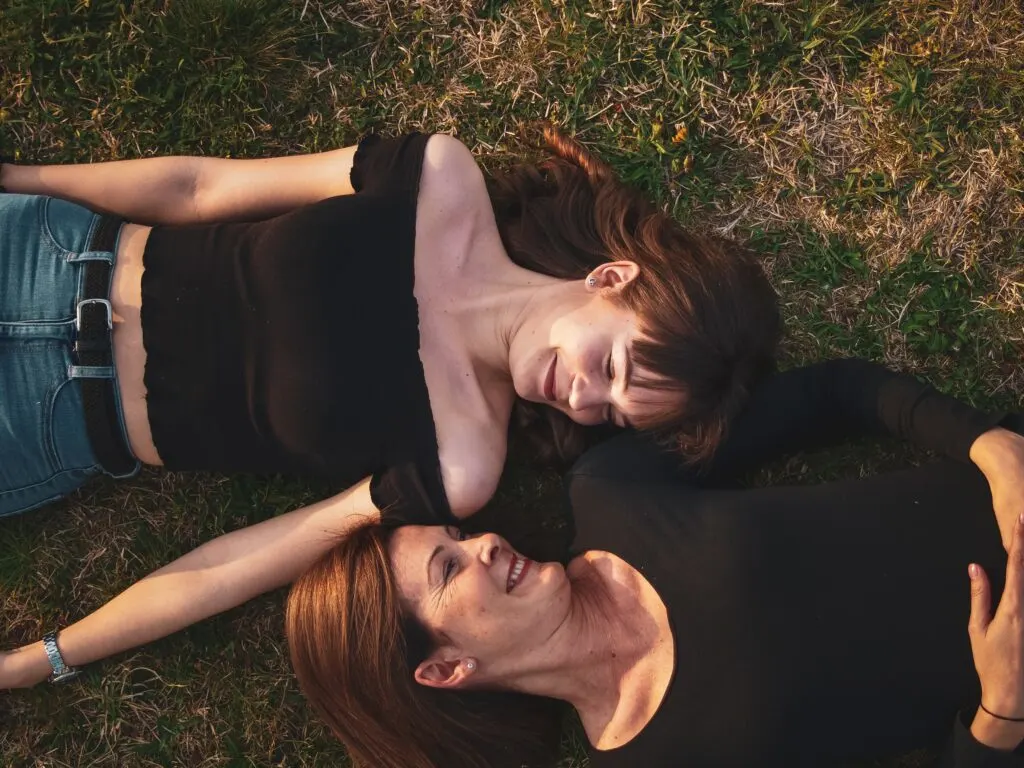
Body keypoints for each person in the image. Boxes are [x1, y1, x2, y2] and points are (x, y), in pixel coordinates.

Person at [0, 129, 779, 682]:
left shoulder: (462, 461)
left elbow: (237, 564)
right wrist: (18, 178)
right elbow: (202, 187)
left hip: (43, 424)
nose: (581, 397)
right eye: (610, 364)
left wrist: (46, 659)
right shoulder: (438, 180)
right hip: (45, 255)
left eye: (608, 415)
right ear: (612, 279)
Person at [285, 359, 1024, 768]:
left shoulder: (611, 490)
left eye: (456, 534)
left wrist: (990, 448)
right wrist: (1001, 713)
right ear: (444, 669)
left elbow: (830, 396)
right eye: (448, 570)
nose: (481, 544)